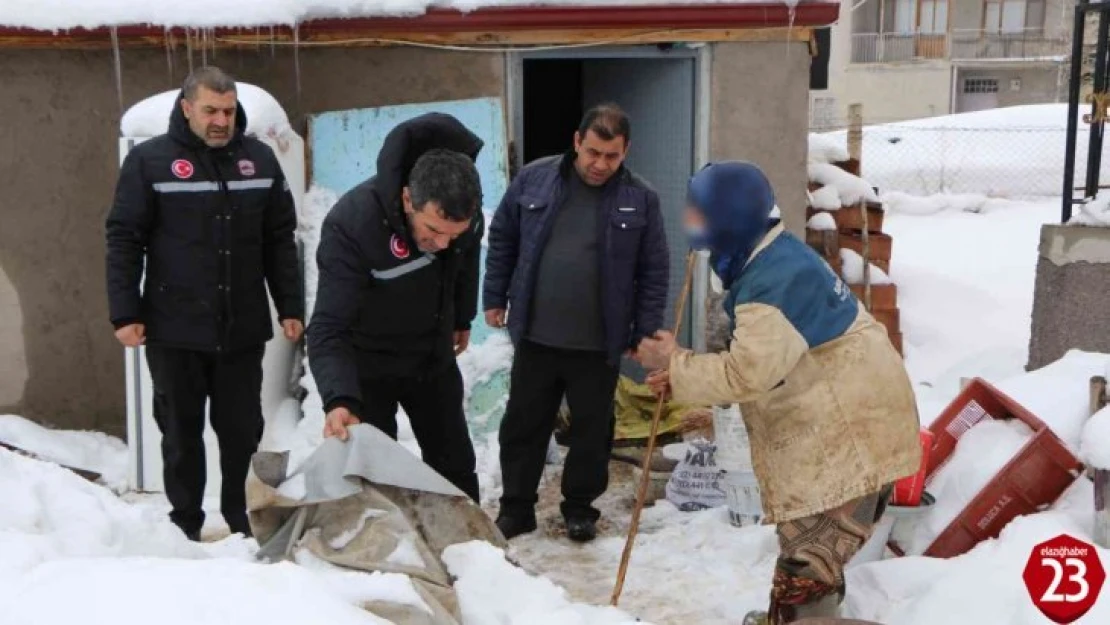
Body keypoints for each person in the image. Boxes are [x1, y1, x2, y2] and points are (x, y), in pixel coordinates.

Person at [635, 161, 921, 624]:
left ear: (727, 218)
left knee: (805, 573)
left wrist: (675, 361)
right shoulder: (774, 257)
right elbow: (769, 360)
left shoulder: (772, 281)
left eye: (698, 211)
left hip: (848, 440)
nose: (689, 220)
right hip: (851, 427)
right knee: (810, 566)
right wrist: (686, 375)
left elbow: (748, 373)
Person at [105, 66, 304, 541]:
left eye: (229, 111)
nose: (221, 120)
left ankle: (240, 521)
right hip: (174, 328)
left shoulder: (258, 159)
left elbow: (280, 239)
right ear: (187, 108)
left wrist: (290, 306)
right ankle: (185, 524)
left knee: (242, 432)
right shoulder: (150, 162)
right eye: (211, 110)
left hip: (242, 327)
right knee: (180, 433)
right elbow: (124, 239)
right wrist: (125, 312)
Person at [484, 104, 670, 542]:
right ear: (576, 142)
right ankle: (516, 509)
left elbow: (654, 269)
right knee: (524, 424)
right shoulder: (534, 179)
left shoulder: (640, 198)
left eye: (611, 156)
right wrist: (494, 296)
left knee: (592, 430)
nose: (600, 164)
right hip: (536, 334)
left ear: (625, 153)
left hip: (597, 343)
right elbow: (504, 238)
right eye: (593, 152)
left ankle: (580, 508)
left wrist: (643, 332)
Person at [307, 113, 484, 502]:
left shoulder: (464, 220)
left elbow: (465, 263)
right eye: (433, 231)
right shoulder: (352, 225)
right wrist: (339, 398)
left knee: (453, 463)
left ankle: (470, 547)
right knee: (376, 474)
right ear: (407, 198)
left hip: (430, 357)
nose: (442, 243)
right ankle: (390, 554)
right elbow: (327, 327)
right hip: (369, 362)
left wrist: (461, 315)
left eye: (453, 234)